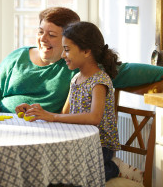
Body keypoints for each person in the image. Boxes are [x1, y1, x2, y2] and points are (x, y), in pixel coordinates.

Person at [24, 21, 120, 181]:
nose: (62, 55)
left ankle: (113, 168)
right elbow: (65, 114)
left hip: (99, 146)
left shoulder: (99, 81)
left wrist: (52, 117)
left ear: (87, 51)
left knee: (75, 176)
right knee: (55, 170)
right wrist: (37, 111)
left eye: (67, 50)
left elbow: (94, 117)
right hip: (79, 141)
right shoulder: (76, 78)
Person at [0, 7, 80, 116]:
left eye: (51, 35)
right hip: (2, 122)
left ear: (69, 39)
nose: (43, 39)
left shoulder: (74, 66)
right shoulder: (17, 57)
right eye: (40, 32)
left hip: (46, 129)